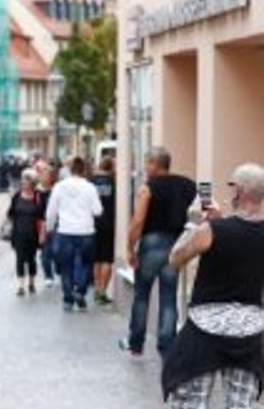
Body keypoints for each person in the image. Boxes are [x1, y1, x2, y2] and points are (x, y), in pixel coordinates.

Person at [162, 164, 264, 409]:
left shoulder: (212, 230)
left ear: (238, 191)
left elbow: (175, 258)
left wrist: (195, 223)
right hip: (249, 329)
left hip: (204, 330)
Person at [120, 147, 196, 357]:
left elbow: (138, 220)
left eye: (146, 163)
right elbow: (207, 207)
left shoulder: (147, 188)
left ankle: (136, 343)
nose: (145, 168)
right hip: (176, 245)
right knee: (169, 296)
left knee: (142, 295)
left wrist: (130, 248)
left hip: (152, 244)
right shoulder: (188, 184)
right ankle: (167, 346)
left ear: (154, 164)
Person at [45, 156, 103, 311]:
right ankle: (80, 291)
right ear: (84, 170)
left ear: (70, 170)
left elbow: (51, 211)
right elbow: (98, 211)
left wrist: (50, 228)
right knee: (84, 264)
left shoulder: (59, 187)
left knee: (66, 266)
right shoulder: (90, 187)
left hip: (65, 231)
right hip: (85, 231)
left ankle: (68, 299)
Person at [8, 169, 44, 296]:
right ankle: (21, 286)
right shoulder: (17, 196)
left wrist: (42, 235)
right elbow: (10, 214)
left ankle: (32, 282)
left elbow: (42, 218)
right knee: (19, 259)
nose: (24, 183)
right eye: (23, 180)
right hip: (18, 233)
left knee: (31, 259)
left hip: (33, 233)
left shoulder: (38, 196)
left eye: (27, 181)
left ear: (33, 183)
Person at [90, 156, 116, 305]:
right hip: (109, 223)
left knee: (96, 259)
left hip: (93, 223)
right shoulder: (114, 182)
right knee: (107, 258)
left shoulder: (91, 181)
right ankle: (102, 292)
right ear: (111, 167)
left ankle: (96, 288)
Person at [37, 164, 58, 288]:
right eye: (42, 175)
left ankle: (58, 270)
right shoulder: (38, 192)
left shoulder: (56, 190)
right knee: (45, 252)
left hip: (56, 224)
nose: (43, 178)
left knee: (57, 251)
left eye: (46, 175)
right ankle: (48, 276)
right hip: (42, 224)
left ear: (52, 178)